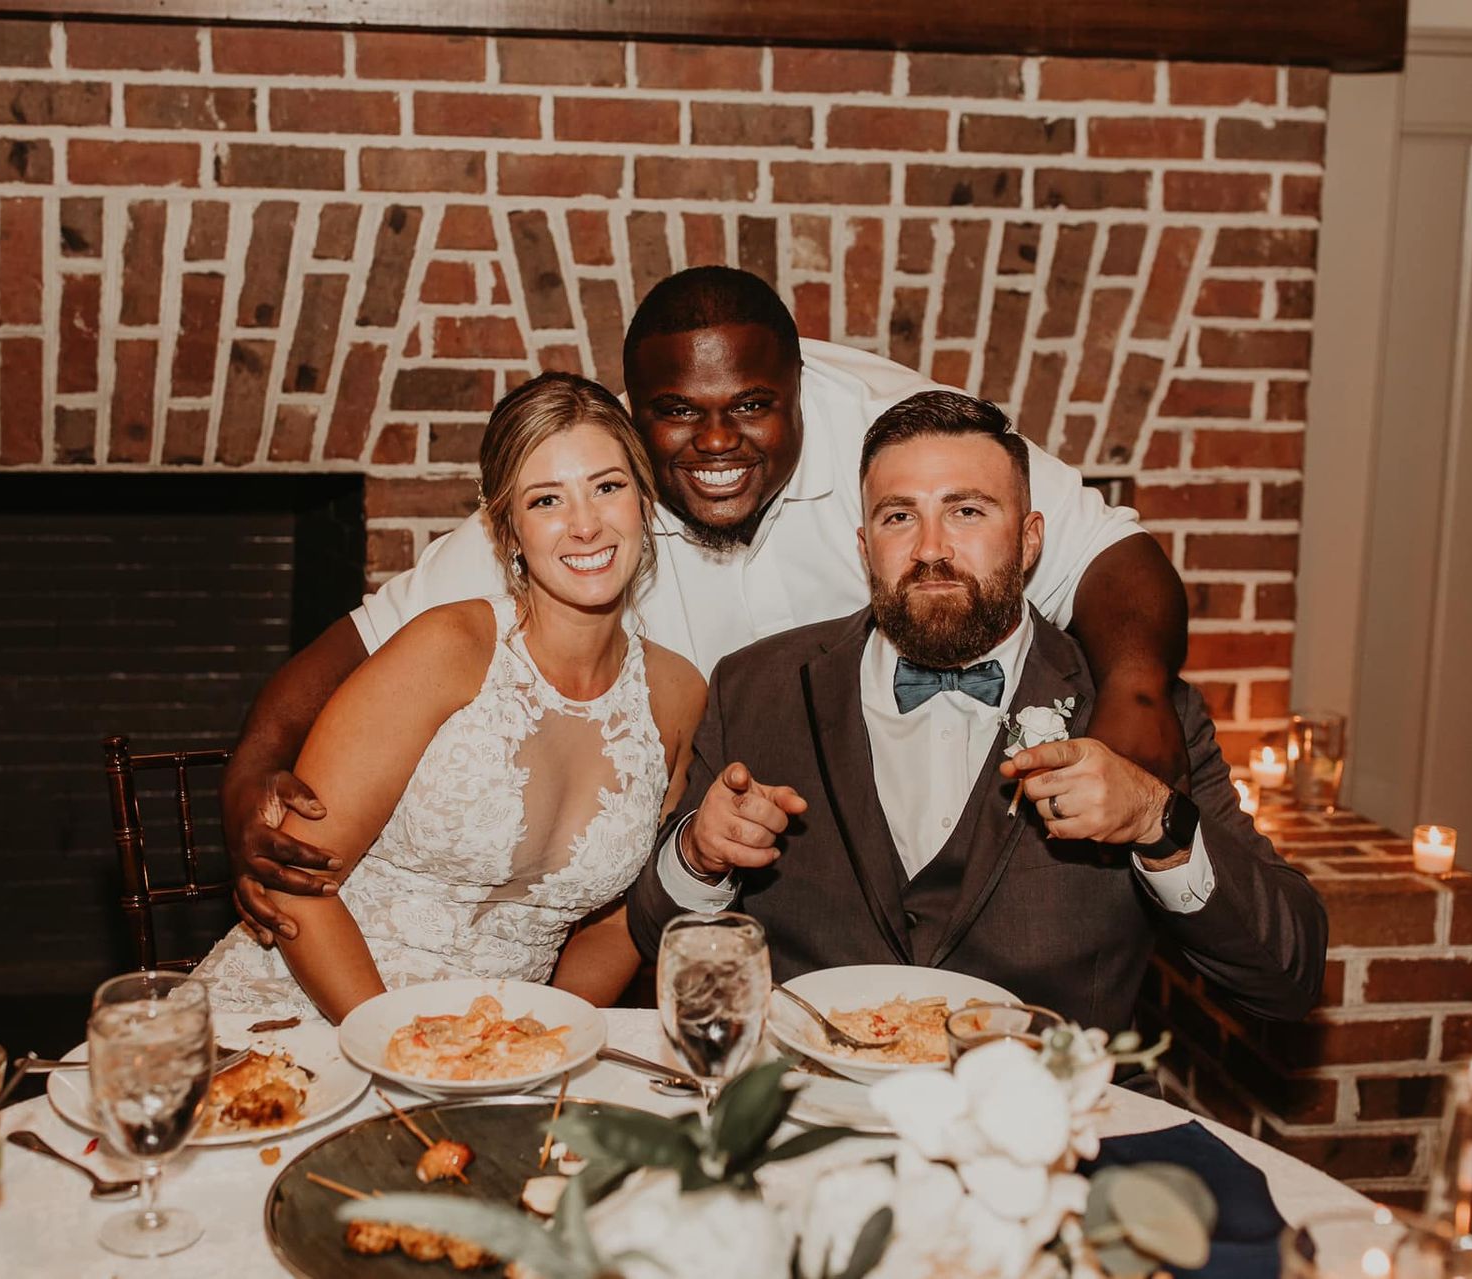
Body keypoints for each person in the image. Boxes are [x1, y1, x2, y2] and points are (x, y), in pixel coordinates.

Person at [223, 267, 1192, 944]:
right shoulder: (589, 492)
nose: (717, 440)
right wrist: (251, 775)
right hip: (683, 879)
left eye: (755, 405)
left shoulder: (894, 435)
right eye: (679, 411)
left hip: (874, 867)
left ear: (806, 392)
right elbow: (360, 642)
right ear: (634, 407)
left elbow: (1113, 551)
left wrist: (1139, 696)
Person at [626, 391, 1326, 1032]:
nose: (931, 549)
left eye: (967, 511)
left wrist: (1157, 820)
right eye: (900, 517)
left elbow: (1287, 975)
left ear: (1029, 540)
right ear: (866, 548)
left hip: (1052, 1136)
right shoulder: (758, 686)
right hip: (809, 1120)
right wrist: (698, 856)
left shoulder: (1131, 709)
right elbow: (659, 939)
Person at [197, 372, 706, 1022]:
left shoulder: (678, 695)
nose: (584, 525)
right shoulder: (445, 649)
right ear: (508, 531)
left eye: (607, 487)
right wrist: (403, 1049)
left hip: (489, 1053)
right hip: (312, 1011)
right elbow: (300, 890)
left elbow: (615, 924)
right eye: (546, 500)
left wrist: (538, 1039)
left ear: (643, 498)